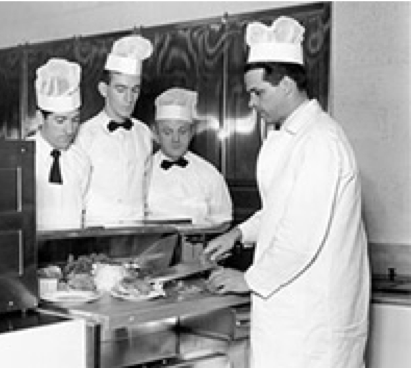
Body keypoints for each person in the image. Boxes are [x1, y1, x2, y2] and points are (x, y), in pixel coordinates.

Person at [202, 16, 370, 368]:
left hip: (312, 322)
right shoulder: (287, 136)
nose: (251, 103)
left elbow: (300, 235)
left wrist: (246, 279)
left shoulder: (321, 142)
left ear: (289, 84)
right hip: (290, 317)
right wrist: (238, 233)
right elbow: (281, 209)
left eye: (258, 92)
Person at [74, 34, 154, 226]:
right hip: (96, 234)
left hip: (135, 232)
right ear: (104, 89)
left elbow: (146, 188)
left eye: (134, 90)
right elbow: (77, 194)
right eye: (120, 89)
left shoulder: (144, 134)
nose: (129, 98)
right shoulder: (84, 135)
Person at [146, 87, 233, 227]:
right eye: (167, 132)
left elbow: (223, 220)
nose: (176, 139)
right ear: (156, 133)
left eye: (182, 131)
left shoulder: (209, 173)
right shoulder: (142, 172)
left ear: (192, 132)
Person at [27, 58, 90, 231]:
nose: (69, 129)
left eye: (75, 120)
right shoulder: (23, 155)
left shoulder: (81, 160)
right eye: (60, 120)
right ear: (40, 118)